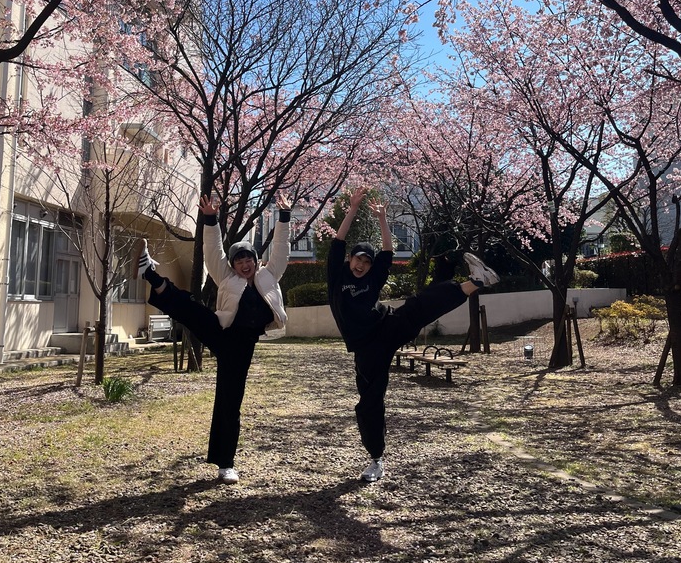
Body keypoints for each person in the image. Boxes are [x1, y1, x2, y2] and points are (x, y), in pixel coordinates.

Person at [327, 188, 499, 483]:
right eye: (358, 260)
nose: (361, 265)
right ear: (350, 259)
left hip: (386, 326)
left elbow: (387, 252)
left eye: (366, 262)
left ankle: (475, 283)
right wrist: (353, 208)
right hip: (366, 348)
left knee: (418, 307)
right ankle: (376, 459)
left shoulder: (374, 277)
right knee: (369, 402)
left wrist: (383, 219)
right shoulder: (337, 276)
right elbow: (338, 241)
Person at [134, 194, 290, 485]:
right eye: (239, 260)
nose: (244, 263)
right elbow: (212, 251)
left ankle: (225, 464)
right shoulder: (227, 278)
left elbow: (281, 250)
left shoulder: (270, 276)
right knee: (193, 310)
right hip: (222, 331)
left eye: (248, 258)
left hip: (242, 347)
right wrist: (210, 220)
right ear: (233, 264)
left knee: (230, 401)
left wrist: (284, 217)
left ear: (256, 261)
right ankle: (152, 276)